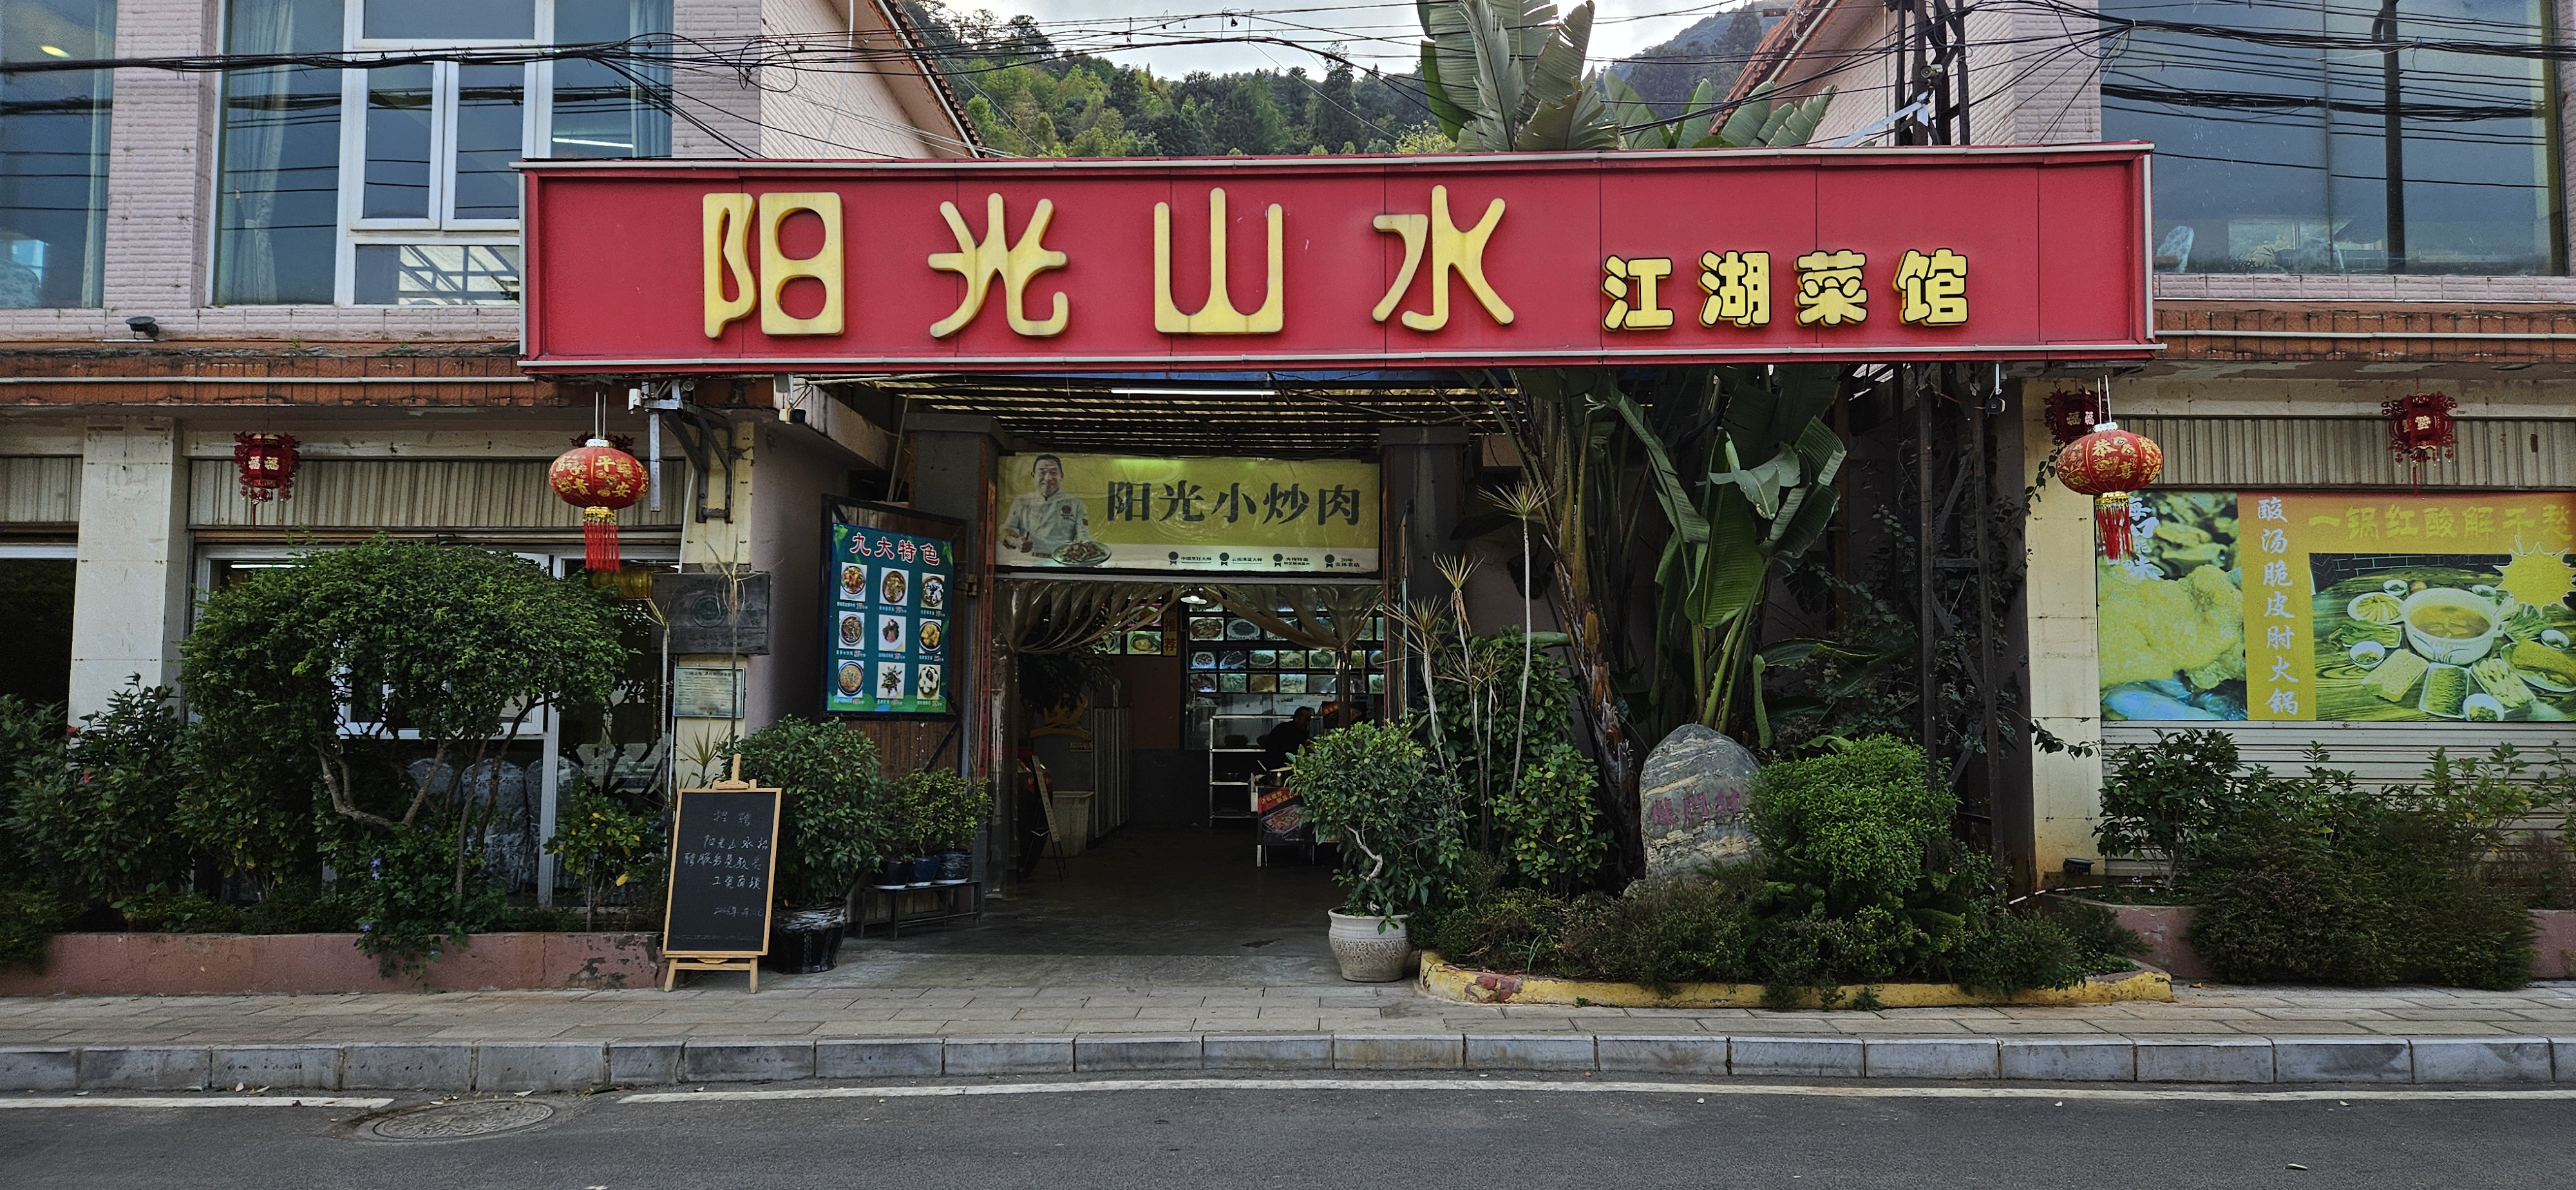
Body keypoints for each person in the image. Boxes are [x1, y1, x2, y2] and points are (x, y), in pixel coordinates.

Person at [998, 454, 1094, 559]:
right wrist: (1017, 542)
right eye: (1042, 473)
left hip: (1064, 560)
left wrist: (1085, 549)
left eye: (1053, 473)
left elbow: (1083, 535)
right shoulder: (1022, 502)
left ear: (1061, 476)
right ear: (1033, 476)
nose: (1048, 478)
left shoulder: (1075, 504)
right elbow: (1006, 530)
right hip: (1028, 560)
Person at [1258, 705, 1315, 770]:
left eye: (1309, 721)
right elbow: (1270, 744)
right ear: (1297, 718)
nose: (1307, 723)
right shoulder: (1282, 729)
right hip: (1278, 765)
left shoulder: (1303, 733)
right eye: (1305, 720)